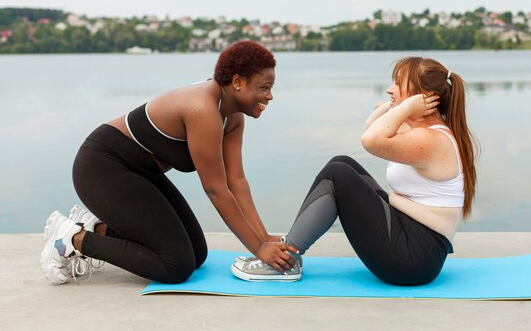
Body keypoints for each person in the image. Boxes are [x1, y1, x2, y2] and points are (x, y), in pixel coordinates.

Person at [41, 40, 298, 285]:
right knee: (175, 265)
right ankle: (71, 238)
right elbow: (216, 191)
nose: (270, 96)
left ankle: (96, 226)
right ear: (238, 82)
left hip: (141, 174)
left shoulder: (232, 118)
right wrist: (258, 249)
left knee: (197, 254)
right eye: (264, 87)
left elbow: (236, 181)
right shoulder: (203, 109)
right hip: (102, 167)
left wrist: (263, 237)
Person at [231, 56, 477, 285]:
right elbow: (372, 126)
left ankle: (283, 261)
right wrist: (399, 105)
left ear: (423, 97)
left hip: (413, 258)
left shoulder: (430, 140)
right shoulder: (426, 133)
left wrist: (405, 108)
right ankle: (287, 253)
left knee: (339, 175)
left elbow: (371, 140)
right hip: (416, 246)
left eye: (398, 84)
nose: (390, 89)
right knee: (343, 163)